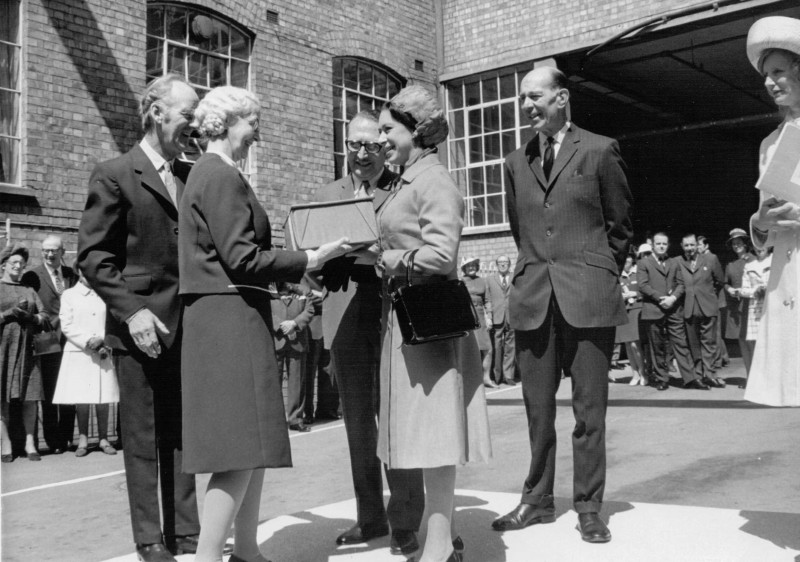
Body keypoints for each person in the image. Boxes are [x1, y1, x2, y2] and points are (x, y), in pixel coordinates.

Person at [178, 85, 351, 562]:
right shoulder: (219, 176)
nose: (257, 131)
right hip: (228, 318)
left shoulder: (213, 174)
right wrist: (310, 256)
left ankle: (246, 552)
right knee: (238, 447)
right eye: (252, 121)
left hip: (231, 315)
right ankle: (208, 557)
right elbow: (241, 256)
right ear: (228, 122)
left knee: (249, 443)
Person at [492, 67, 632, 543]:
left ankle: (589, 506)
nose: (528, 106)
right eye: (523, 99)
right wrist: (541, 270)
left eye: (536, 97)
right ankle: (537, 500)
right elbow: (521, 230)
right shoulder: (515, 161)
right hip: (534, 297)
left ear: (562, 97)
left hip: (588, 296)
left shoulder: (599, 149)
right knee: (537, 408)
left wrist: (594, 273)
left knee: (589, 412)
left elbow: (620, 227)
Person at [78, 74, 203, 562]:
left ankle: (187, 533)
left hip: (186, 325)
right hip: (140, 331)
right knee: (144, 437)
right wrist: (132, 314)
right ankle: (150, 539)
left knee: (182, 433)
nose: (193, 125)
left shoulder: (192, 175)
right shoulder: (114, 173)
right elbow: (93, 257)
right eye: (186, 114)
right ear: (155, 112)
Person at [376, 84, 492, 562]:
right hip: (408, 321)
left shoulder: (432, 181)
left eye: (388, 129)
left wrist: (391, 258)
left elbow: (444, 253)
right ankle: (437, 534)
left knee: (436, 436)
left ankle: (441, 545)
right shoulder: (407, 180)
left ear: (416, 132)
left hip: (429, 324)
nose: (381, 137)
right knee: (422, 435)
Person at [314, 109, 424, 555]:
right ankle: (369, 517)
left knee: (394, 420)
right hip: (344, 314)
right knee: (358, 421)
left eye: (371, 145)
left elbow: (416, 246)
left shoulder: (400, 190)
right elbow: (306, 254)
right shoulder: (328, 194)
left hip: (388, 312)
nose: (361, 153)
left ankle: (405, 523)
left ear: (383, 147)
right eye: (353, 145)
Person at [745, 16, 800, 407]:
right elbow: (762, 218)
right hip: (788, 277)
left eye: (778, 71)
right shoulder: (769, 144)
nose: (769, 82)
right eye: (766, 74)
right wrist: (760, 223)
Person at [52, 267, 119, 457]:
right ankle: (82, 439)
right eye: (83, 271)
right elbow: (67, 324)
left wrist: (102, 339)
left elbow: (112, 321)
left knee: (103, 396)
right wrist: (89, 341)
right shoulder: (69, 295)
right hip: (80, 351)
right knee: (82, 397)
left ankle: (104, 438)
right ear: (79, 272)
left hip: (103, 350)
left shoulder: (105, 293)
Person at [21, 235, 78, 455]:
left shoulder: (71, 275)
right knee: (51, 391)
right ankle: (53, 441)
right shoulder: (32, 275)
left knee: (70, 392)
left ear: (63, 252)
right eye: (46, 250)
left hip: (72, 341)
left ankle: (67, 438)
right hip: (47, 339)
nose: (50, 254)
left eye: (54, 250)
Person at [637, 233, 707, 391]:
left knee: (681, 343)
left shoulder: (673, 262)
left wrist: (673, 298)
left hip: (674, 309)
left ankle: (690, 379)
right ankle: (662, 378)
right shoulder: (643, 263)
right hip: (654, 308)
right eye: (658, 243)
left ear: (668, 245)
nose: (661, 246)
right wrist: (661, 298)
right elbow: (642, 285)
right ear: (653, 245)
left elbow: (681, 284)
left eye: (664, 244)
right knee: (657, 345)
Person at [1, 244, 51, 462]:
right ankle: (6, 443)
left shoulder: (29, 290)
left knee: (30, 397)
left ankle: (31, 443)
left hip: (28, 350)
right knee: (2, 397)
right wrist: (8, 314)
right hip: (3, 349)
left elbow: (45, 316)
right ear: (3, 265)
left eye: (21, 264)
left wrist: (32, 318)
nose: (19, 267)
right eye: (14, 263)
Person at [676, 234, 726, 388]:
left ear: (697, 245)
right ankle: (698, 375)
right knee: (694, 344)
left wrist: (708, 295)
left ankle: (710, 374)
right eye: (687, 246)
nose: (690, 248)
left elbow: (720, 280)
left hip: (707, 306)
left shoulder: (710, 259)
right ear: (682, 246)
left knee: (709, 343)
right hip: (689, 308)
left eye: (692, 245)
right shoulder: (678, 262)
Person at [270, 282, 314, 432]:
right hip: (277, 340)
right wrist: (284, 327)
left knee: (297, 382)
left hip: (298, 341)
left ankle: (295, 419)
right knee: (273, 383)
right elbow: (266, 310)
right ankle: (275, 420)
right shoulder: (268, 287)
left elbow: (310, 310)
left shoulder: (303, 288)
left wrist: (294, 324)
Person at [739, 245, 772, 388]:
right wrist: (755, 291)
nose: (760, 248)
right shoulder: (749, 265)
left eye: (763, 245)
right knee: (757, 345)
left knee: (772, 343)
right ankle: (758, 379)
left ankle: (772, 378)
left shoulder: (775, 262)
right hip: (755, 308)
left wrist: (768, 290)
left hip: (772, 307)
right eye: (757, 246)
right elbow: (743, 290)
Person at [722, 228, 755, 372]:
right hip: (736, 307)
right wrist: (729, 289)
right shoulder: (731, 263)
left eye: (739, 242)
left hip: (751, 305)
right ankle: (749, 376)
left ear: (745, 243)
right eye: (734, 243)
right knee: (742, 340)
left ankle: (757, 377)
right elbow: (725, 282)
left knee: (752, 341)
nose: (737, 246)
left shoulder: (753, 259)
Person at [461, 257, 496, 388]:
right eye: (468, 266)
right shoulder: (461, 281)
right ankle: (471, 380)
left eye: (474, 265)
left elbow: (487, 300)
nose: (471, 268)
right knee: (470, 348)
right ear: (464, 268)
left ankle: (486, 377)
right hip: (467, 316)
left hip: (481, 315)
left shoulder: (482, 281)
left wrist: (489, 317)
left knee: (488, 348)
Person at [485, 255, 516, 386]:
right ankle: (497, 375)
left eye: (505, 262)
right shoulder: (490, 279)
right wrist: (489, 316)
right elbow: (488, 299)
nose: (503, 264)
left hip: (512, 316)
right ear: (496, 265)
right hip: (497, 317)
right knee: (497, 347)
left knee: (511, 347)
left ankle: (508, 376)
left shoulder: (515, 277)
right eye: (500, 262)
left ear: (509, 264)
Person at [616, 255, 646, 386]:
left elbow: (645, 290)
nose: (626, 264)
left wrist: (635, 294)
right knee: (627, 344)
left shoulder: (638, 273)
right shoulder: (618, 276)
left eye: (628, 262)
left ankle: (643, 372)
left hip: (637, 309)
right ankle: (635, 373)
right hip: (624, 311)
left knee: (635, 343)